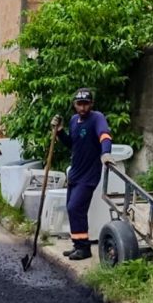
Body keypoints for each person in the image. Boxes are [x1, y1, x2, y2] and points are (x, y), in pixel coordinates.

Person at [52, 88, 115, 261]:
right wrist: (60, 132)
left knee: (75, 207)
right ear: (74, 105)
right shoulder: (73, 121)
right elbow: (71, 144)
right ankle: (78, 245)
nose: (83, 108)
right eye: (79, 104)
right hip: (75, 173)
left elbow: (104, 135)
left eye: (86, 104)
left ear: (91, 104)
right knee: (72, 210)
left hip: (89, 175)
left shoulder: (97, 118)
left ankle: (84, 248)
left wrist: (106, 152)